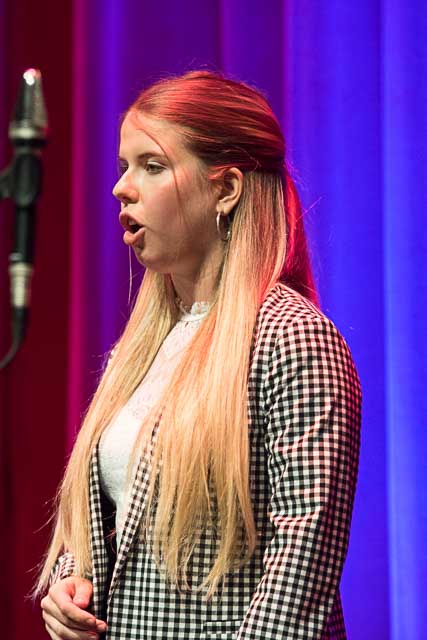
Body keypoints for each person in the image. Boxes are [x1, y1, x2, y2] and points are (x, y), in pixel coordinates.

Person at [37, 70, 361, 640]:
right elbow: (118, 516)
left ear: (226, 189)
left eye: (151, 166)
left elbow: (300, 576)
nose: (121, 188)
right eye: (123, 166)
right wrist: (72, 581)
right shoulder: (144, 347)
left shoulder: (292, 338)